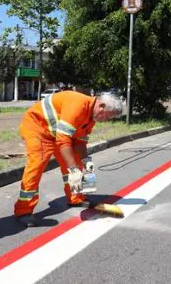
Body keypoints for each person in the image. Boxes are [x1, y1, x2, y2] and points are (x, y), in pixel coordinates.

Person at [14, 91, 123, 227]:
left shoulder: (90, 117)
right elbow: (64, 141)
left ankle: (75, 198)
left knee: (76, 161)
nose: (106, 120)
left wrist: (85, 160)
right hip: (38, 128)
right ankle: (23, 210)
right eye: (108, 116)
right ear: (101, 106)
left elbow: (80, 141)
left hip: (57, 134)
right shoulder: (78, 105)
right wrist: (73, 169)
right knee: (37, 165)